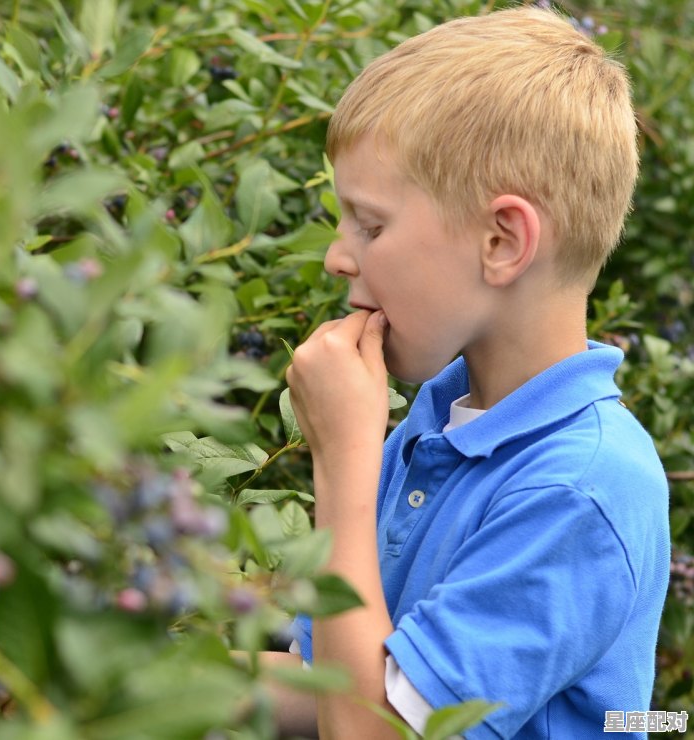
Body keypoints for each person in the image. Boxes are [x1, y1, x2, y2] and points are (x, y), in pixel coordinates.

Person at [259, 6, 671, 740]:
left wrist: (344, 464)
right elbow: (331, 687)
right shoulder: (436, 424)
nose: (336, 256)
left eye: (370, 224)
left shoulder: (580, 488)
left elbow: (369, 730)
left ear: (501, 241)